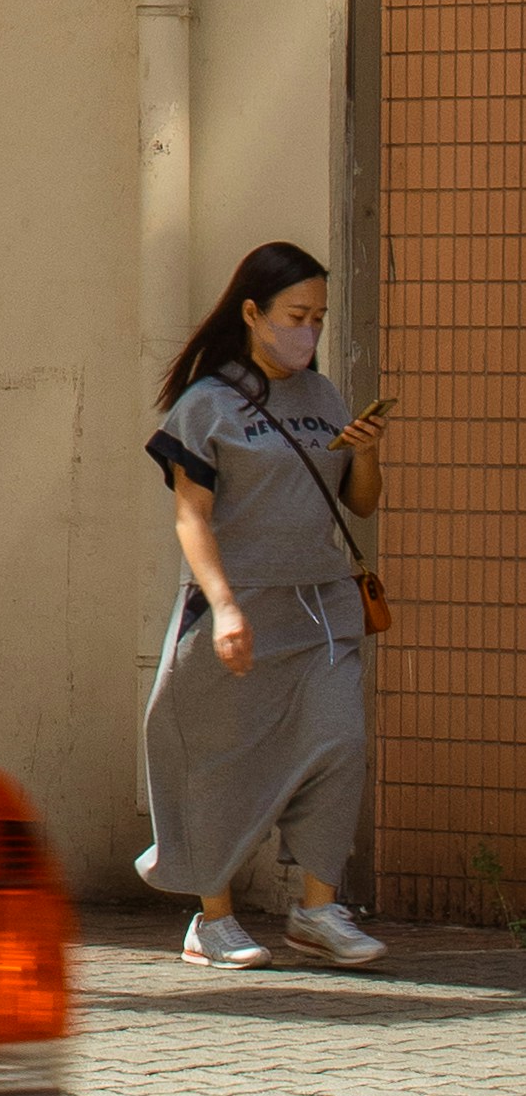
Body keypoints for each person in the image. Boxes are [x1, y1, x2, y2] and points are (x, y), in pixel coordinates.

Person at [136, 238, 389, 969]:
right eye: (294, 314)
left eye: (318, 316)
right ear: (251, 312)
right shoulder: (207, 404)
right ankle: (211, 917)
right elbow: (192, 517)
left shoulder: (324, 394)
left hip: (322, 606)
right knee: (222, 761)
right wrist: (226, 606)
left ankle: (317, 908)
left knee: (338, 745)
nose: (308, 329)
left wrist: (366, 451)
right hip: (238, 607)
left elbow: (360, 504)